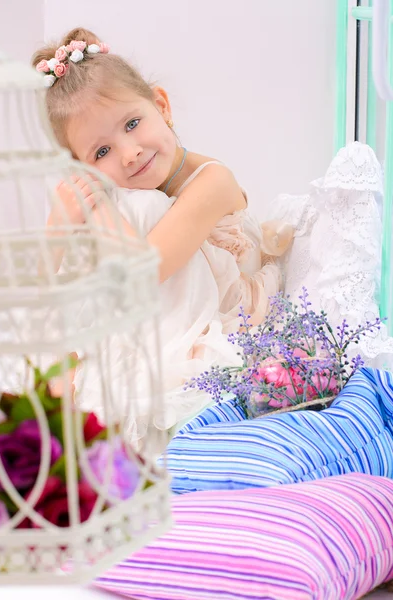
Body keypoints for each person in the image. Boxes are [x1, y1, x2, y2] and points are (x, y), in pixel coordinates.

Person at [32, 28, 293, 445]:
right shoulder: (130, 196)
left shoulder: (212, 181)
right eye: (101, 153)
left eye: (132, 124)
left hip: (225, 319)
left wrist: (97, 205)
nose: (129, 152)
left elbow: (144, 274)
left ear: (162, 105)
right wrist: (59, 224)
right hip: (161, 313)